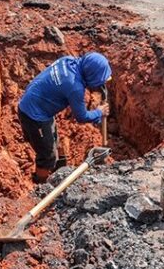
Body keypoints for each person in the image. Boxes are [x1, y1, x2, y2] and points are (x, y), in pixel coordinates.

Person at [17, 53, 112, 183]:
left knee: (54, 142)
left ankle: (59, 172)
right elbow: (82, 117)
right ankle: (41, 185)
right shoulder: (75, 88)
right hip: (34, 115)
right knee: (47, 156)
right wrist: (98, 113)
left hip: (37, 104)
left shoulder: (68, 60)